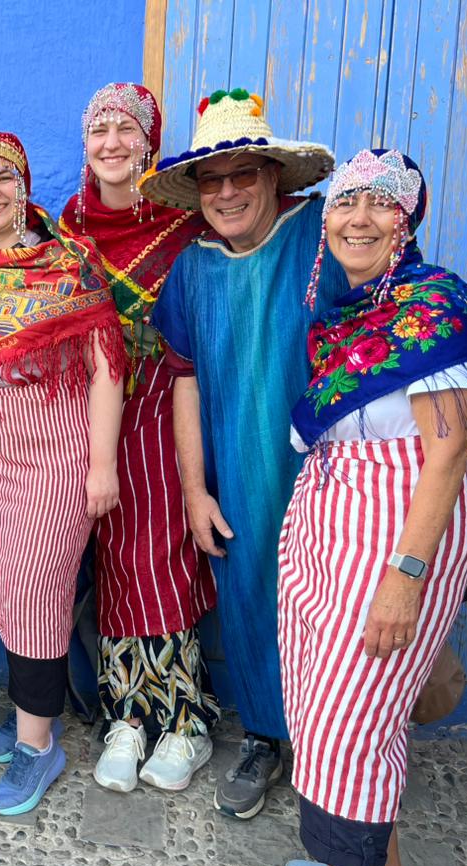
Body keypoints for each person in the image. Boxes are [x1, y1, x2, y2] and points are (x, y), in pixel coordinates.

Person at [245, 149, 467, 866]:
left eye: (379, 203)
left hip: (393, 536)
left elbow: (449, 455)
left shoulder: (432, 305)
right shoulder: (348, 316)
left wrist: (405, 578)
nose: (357, 218)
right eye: (345, 202)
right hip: (332, 526)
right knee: (336, 716)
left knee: (352, 723)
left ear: (406, 220)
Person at [138, 88, 344, 818]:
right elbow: (185, 380)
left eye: (242, 174)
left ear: (273, 176)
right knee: (252, 597)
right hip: (239, 468)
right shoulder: (192, 269)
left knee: (334, 607)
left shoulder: (322, 236)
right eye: (211, 179)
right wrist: (196, 490)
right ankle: (263, 736)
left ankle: (335, 752)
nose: (226, 193)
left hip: (331, 473)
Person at [0, 132, 125, 815]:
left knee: (36, 594)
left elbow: (108, 366)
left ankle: (39, 746)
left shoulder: (71, 265)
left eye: (5, 177)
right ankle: (34, 709)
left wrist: (102, 466)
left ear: (24, 188)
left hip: (56, 458)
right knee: (7, 593)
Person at [59, 82, 219, 794]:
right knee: (110, 563)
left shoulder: (184, 226)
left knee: (159, 558)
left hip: (161, 412)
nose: (113, 143)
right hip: (87, 421)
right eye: (100, 131)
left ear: (150, 143)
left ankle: (185, 723)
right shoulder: (69, 228)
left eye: (127, 130)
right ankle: (126, 715)